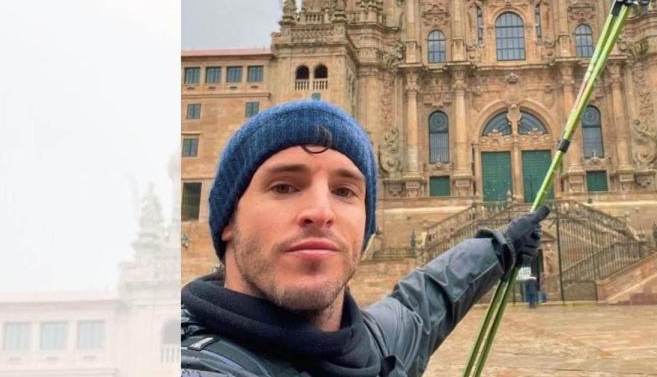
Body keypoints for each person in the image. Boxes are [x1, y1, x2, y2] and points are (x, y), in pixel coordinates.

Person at [181, 100, 550, 377]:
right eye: (284, 186)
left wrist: (500, 248)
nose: (321, 211)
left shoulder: (376, 345)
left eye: (344, 191)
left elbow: (427, 301)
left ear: (367, 224)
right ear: (228, 218)